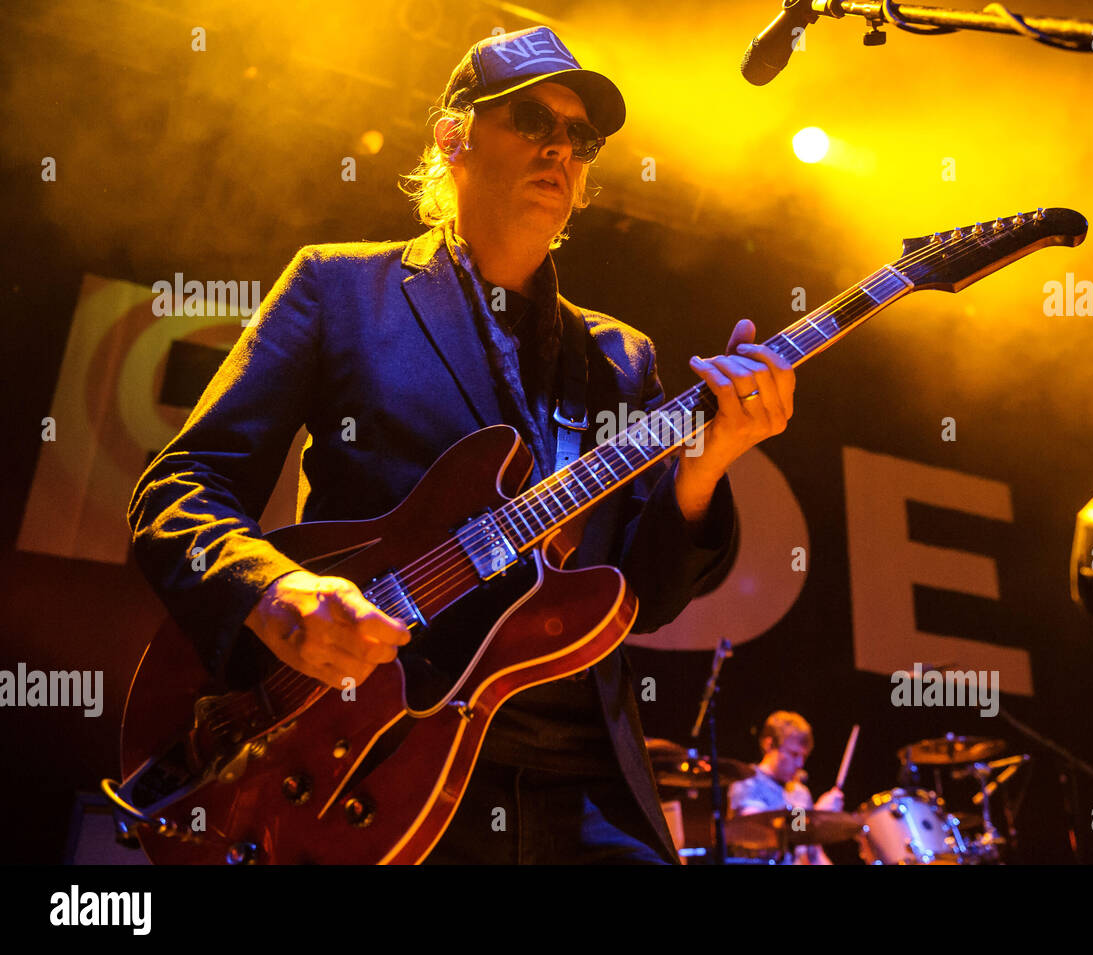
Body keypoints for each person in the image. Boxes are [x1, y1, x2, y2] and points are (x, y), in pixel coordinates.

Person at [127, 25, 796, 865]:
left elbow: (643, 598)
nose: (560, 146)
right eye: (530, 118)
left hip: (580, 779)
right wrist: (273, 591)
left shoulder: (622, 358)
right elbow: (184, 483)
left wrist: (706, 465)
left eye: (580, 137)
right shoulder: (337, 287)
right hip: (374, 756)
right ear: (453, 136)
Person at [728, 710, 843, 864]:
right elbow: (762, 836)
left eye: (804, 756)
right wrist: (816, 816)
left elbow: (812, 854)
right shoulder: (747, 782)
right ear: (769, 745)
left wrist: (816, 824)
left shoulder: (800, 793)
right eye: (794, 754)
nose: (800, 764)